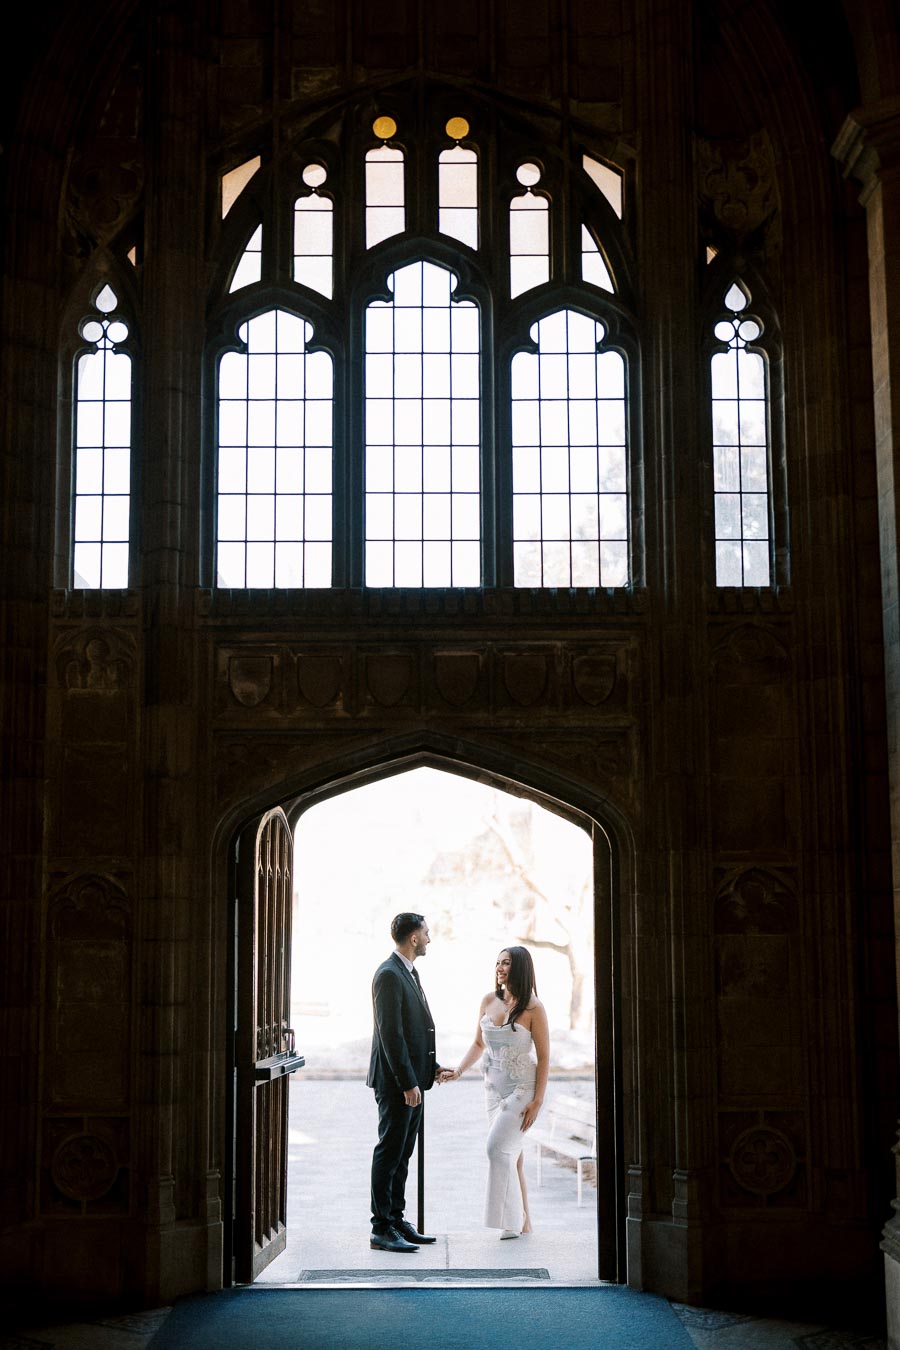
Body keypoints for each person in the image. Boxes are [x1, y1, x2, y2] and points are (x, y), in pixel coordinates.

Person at [438, 945, 549, 1238]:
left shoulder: (534, 1008)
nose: (500, 968)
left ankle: (510, 1222)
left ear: (521, 968)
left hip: (522, 1090)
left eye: (507, 963)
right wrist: (458, 1072)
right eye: (498, 963)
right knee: (514, 1157)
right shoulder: (488, 1000)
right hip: (492, 1091)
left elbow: (545, 1057)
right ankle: (525, 1221)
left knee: (496, 1149)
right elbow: (478, 1044)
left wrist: (537, 1100)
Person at [367, 912, 441, 1252]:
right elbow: (391, 1035)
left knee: (403, 1153)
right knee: (390, 1151)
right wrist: (408, 1083)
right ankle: (380, 1227)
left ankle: (396, 1219)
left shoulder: (409, 972)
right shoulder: (388, 974)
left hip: (412, 1080)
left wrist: (431, 1068)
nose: (428, 938)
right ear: (413, 938)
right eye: (425, 933)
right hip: (397, 1083)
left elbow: (413, 1031)